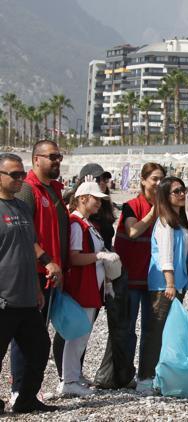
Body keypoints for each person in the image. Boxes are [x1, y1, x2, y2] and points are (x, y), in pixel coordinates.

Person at [0, 153, 59, 414]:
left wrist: (38, 283)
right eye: (14, 175)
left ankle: (26, 399)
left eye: (22, 175)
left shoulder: (22, 207)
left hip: (26, 296)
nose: (20, 180)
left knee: (39, 349)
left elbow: (27, 246)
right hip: (3, 298)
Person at [11, 140, 67, 402]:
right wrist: (45, 262)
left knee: (38, 335)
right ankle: (17, 389)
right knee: (22, 337)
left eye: (60, 156)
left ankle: (27, 392)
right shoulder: (27, 190)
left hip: (48, 274)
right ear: (36, 159)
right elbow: (24, 234)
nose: (57, 160)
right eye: (52, 156)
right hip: (29, 274)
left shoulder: (53, 190)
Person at [59, 182, 118, 396]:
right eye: (96, 199)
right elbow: (74, 257)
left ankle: (72, 378)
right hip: (82, 286)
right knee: (77, 336)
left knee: (81, 336)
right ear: (83, 198)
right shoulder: (77, 223)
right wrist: (99, 256)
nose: (99, 203)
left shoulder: (86, 223)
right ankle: (69, 380)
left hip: (92, 285)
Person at [137, 177, 188, 395]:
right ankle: (145, 378)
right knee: (156, 332)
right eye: (176, 191)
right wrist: (170, 283)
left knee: (169, 332)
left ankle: (159, 376)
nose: (181, 194)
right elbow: (165, 255)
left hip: (177, 284)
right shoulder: (164, 222)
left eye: (183, 190)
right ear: (166, 196)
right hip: (164, 286)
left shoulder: (180, 219)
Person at [114, 162, 165, 372]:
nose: (159, 183)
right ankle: (123, 373)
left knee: (152, 330)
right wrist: (154, 212)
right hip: (131, 277)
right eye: (154, 178)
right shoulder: (131, 206)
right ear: (143, 180)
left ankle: (147, 373)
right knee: (126, 329)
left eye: (162, 179)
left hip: (156, 279)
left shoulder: (169, 206)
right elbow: (133, 232)